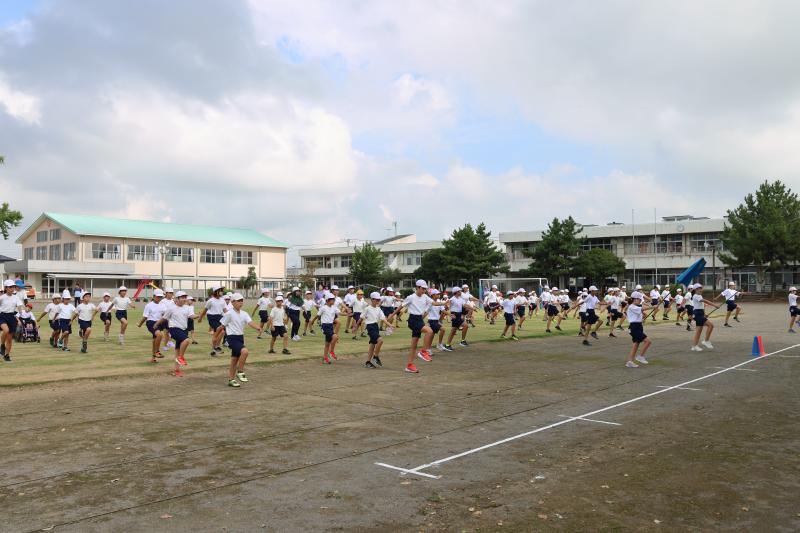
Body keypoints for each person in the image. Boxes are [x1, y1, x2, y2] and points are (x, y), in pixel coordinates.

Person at [394, 280, 445, 373]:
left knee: (413, 346)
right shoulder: (411, 297)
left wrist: (444, 303)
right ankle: (423, 352)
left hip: (419, 320)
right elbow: (401, 306)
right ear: (417, 287)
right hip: (413, 320)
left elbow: (434, 303)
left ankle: (409, 366)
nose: (424, 290)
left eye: (425, 289)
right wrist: (392, 315)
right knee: (429, 331)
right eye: (423, 288)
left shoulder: (425, 296)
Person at [220, 293, 261, 387]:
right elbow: (222, 326)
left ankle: (231, 380)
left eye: (241, 300)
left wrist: (257, 327)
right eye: (238, 301)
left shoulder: (244, 313)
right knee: (245, 352)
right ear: (232, 302)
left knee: (234, 359)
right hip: (231, 338)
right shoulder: (229, 313)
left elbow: (250, 322)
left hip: (240, 337)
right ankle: (240, 371)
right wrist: (216, 340)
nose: (240, 302)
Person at [157, 291, 198, 377]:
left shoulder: (187, 307)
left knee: (177, 351)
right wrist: (156, 324)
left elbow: (191, 316)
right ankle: (181, 357)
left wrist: (198, 315)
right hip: (174, 329)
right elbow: (164, 318)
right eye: (182, 297)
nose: (184, 299)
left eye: (185, 297)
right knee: (186, 340)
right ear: (177, 299)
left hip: (184, 330)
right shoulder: (171, 308)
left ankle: (176, 370)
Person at [363, 291, 393, 368]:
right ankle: (375, 356)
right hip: (370, 327)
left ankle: (368, 362)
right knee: (380, 340)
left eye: (378, 300)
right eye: (376, 300)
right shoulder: (367, 308)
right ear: (372, 299)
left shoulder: (379, 309)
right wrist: (356, 326)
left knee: (372, 344)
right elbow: (361, 318)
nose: (378, 301)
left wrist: (390, 325)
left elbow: (383, 319)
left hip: (375, 326)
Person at [625, 289, 653, 368]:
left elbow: (641, 314)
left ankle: (629, 362)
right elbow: (642, 309)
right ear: (635, 299)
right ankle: (640, 356)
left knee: (636, 344)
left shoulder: (635, 307)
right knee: (648, 341)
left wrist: (642, 318)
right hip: (634, 327)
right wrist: (652, 307)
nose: (640, 301)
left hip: (638, 326)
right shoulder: (631, 306)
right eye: (639, 299)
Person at [138, 288, 166, 363]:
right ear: (153, 296)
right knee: (159, 335)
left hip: (159, 323)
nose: (159, 298)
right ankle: (157, 352)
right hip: (151, 322)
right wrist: (140, 324)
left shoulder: (163, 305)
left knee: (154, 341)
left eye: (160, 297)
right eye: (158, 296)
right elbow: (145, 317)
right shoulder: (148, 305)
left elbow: (165, 315)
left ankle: (153, 358)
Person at [690, 284, 720, 352]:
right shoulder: (695, 296)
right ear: (695, 290)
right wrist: (715, 305)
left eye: (701, 288)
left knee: (700, 330)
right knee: (710, 326)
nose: (701, 289)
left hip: (700, 313)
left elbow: (702, 306)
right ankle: (705, 341)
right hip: (697, 313)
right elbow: (705, 301)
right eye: (699, 288)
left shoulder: (699, 295)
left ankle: (695, 346)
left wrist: (704, 314)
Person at [319, 293, 348, 364]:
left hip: (330, 326)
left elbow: (340, 313)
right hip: (325, 326)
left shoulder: (334, 308)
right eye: (332, 300)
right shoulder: (323, 308)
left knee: (327, 343)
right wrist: (314, 321)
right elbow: (318, 315)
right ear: (328, 300)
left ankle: (325, 358)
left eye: (334, 299)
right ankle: (331, 351)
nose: (334, 301)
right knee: (335, 337)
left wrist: (348, 314)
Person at [197, 285, 226, 356]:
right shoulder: (210, 301)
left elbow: (225, 310)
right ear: (216, 292)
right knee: (221, 332)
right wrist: (200, 318)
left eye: (222, 290)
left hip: (220, 317)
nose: (222, 292)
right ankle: (217, 347)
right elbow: (205, 310)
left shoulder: (222, 300)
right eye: (220, 290)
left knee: (219, 333)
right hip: (212, 317)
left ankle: (214, 350)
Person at [0, 279, 24, 360]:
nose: (12, 288)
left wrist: (19, 315)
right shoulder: (2, 297)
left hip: (11, 317)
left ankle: (7, 355)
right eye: (10, 287)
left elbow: (20, 307)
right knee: (5, 330)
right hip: (2, 316)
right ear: (6, 288)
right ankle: (2, 345)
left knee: (9, 339)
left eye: (13, 286)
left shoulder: (16, 297)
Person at [442, 286, 469, 351]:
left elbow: (465, 305)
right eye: (459, 291)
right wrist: (449, 313)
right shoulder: (452, 299)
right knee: (465, 325)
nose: (460, 292)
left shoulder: (460, 299)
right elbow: (446, 306)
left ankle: (448, 345)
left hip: (459, 315)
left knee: (453, 330)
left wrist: (472, 308)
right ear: (456, 292)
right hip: (455, 315)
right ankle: (461, 341)